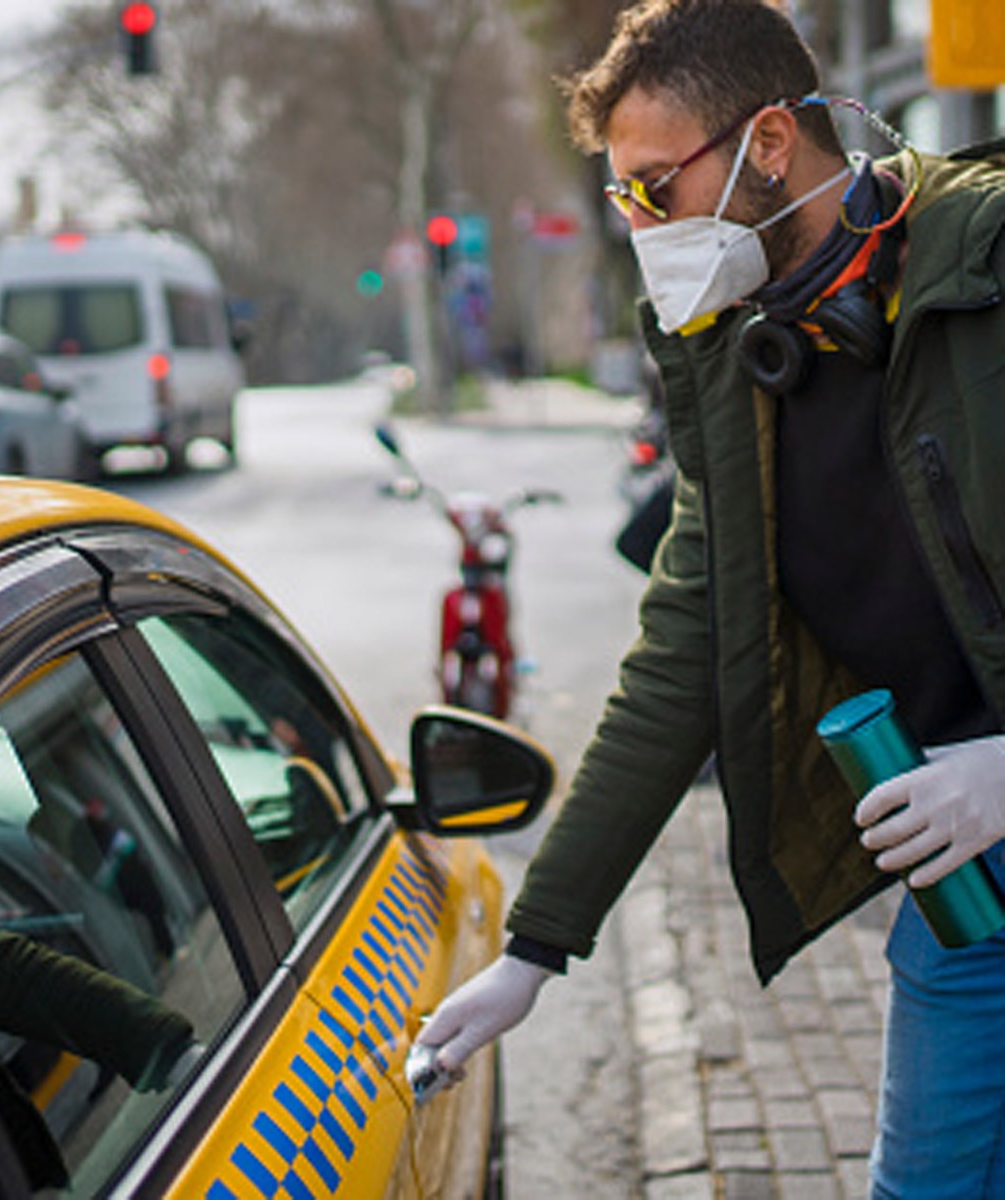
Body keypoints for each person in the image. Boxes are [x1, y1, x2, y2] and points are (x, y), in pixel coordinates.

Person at [413, 1, 1005, 1194]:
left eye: (653, 188)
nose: (639, 226)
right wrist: (537, 947)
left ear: (771, 143)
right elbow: (684, 648)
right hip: (970, 877)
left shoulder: (985, 259)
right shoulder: (742, 354)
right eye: (621, 197)